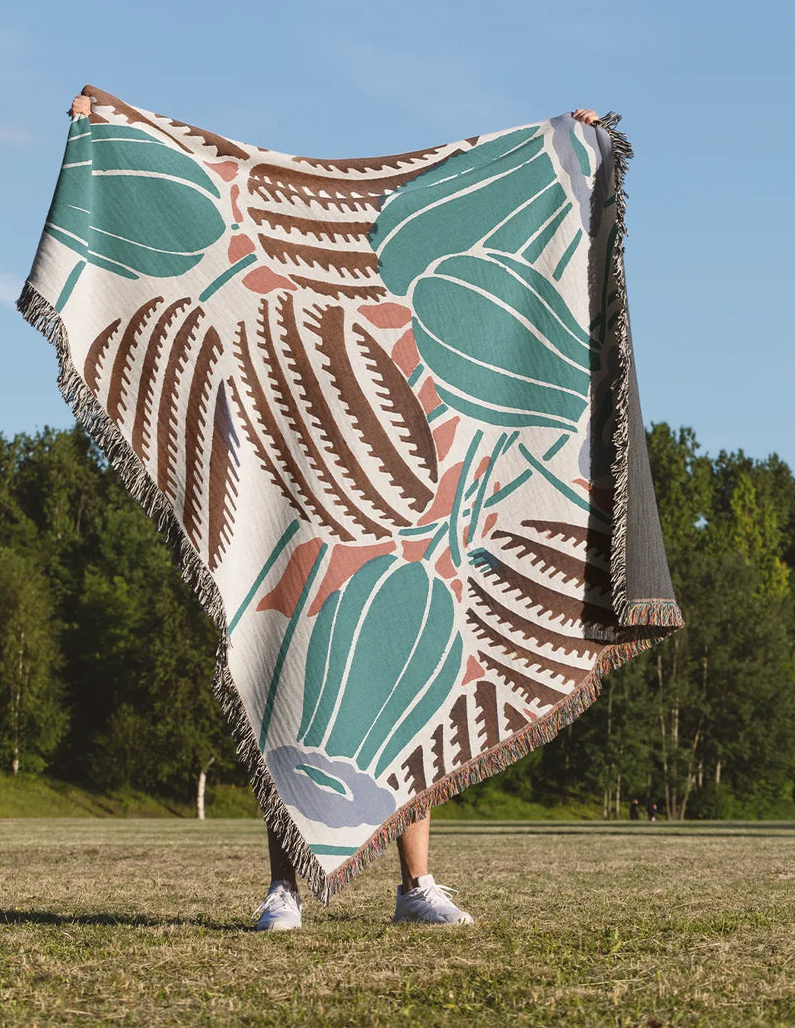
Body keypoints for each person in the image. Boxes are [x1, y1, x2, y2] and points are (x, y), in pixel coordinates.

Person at [67, 94, 600, 930]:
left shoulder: (398, 293)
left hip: (397, 519)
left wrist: (567, 146)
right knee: (289, 690)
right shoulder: (276, 296)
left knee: (404, 696)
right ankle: (284, 887)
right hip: (298, 517)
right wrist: (108, 125)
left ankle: (416, 884)